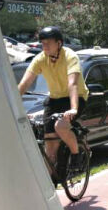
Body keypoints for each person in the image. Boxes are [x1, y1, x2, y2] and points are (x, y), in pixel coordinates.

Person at [17, 27, 88, 170]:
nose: (45, 46)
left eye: (48, 43)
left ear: (59, 43)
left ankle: (76, 154)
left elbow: (72, 84)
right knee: (49, 144)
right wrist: (12, 103)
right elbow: (25, 83)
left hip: (75, 97)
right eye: (43, 43)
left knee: (60, 126)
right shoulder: (40, 59)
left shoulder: (70, 56)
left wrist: (74, 108)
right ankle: (52, 182)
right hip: (55, 99)